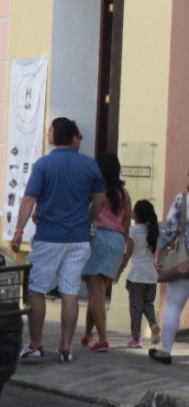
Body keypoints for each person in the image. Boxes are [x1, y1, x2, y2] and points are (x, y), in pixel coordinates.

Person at [10, 117, 106, 364]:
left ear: (55, 136)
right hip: (78, 239)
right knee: (70, 292)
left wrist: (19, 230)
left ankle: (36, 344)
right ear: (74, 137)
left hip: (49, 238)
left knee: (37, 290)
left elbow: (29, 199)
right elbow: (100, 200)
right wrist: (87, 220)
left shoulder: (44, 165)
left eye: (50, 130)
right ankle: (65, 348)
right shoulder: (90, 166)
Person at [79, 152, 132, 351]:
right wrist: (122, 245)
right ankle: (87, 334)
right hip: (117, 241)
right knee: (98, 293)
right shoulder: (124, 194)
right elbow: (126, 223)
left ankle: (102, 338)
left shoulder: (96, 191)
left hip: (97, 239)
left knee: (96, 292)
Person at [151, 176, 189, 364]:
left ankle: (165, 352)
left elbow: (168, 229)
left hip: (183, 262)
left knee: (174, 306)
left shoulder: (183, 199)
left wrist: (158, 251)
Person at [123, 199, 161, 349]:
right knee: (148, 303)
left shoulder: (133, 230)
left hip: (137, 274)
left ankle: (136, 338)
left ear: (137, 215)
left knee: (135, 307)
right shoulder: (155, 231)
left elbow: (129, 251)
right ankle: (154, 323)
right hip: (152, 275)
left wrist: (121, 266)